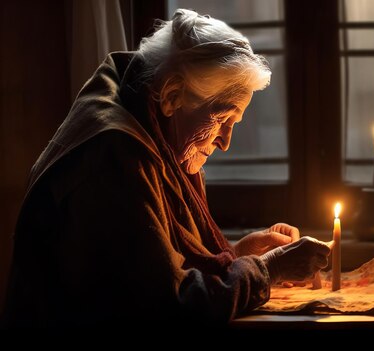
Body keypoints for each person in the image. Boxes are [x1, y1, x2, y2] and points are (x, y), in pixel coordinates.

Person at [3, 9, 330, 327]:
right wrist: (267, 270)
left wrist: (236, 252)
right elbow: (171, 305)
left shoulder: (146, 123)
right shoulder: (115, 157)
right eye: (222, 119)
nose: (225, 142)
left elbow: (149, 266)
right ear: (172, 96)